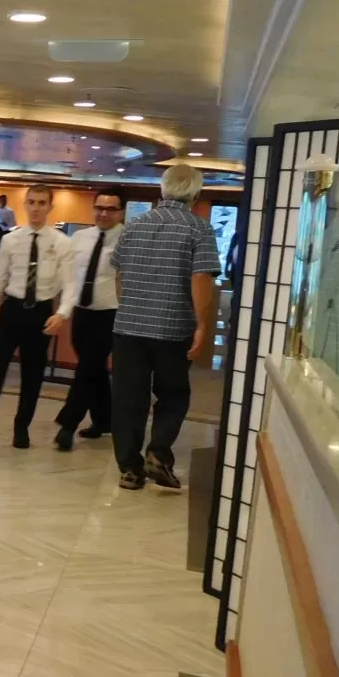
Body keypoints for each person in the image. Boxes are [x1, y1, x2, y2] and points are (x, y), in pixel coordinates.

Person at [108, 164, 221, 491]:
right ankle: (157, 452)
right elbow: (200, 278)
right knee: (173, 393)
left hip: (128, 327)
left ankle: (129, 470)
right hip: (173, 328)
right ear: (195, 194)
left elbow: (119, 275)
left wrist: (129, 307)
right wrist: (201, 324)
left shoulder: (134, 225)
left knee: (128, 399)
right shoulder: (199, 228)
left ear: (162, 189)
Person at [0, 185, 73, 452]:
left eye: (42, 203)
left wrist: (62, 313)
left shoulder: (62, 243)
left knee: (33, 376)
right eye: (31, 202)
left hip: (41, 313)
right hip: (12, 310)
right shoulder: (10, 240)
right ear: (25, 205)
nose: (36, 208)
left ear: (50, 207)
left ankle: (21, 429)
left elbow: (71, 284)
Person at [50, 190, 125, 450]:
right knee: (93, 368)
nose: (104, 213)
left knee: (87, 367)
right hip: (81, 312)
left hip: (110, 314)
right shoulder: (80, 237)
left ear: (121, 212)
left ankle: (68, 424)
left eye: (111, 209)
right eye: (99, 207)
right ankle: (104, 420)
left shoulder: (127, 240)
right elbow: (69, 274)